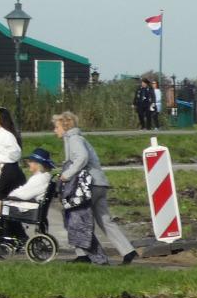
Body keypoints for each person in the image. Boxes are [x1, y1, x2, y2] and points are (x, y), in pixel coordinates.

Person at [54, 110, 137, 264]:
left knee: (76, 217)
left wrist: (67, 174)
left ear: (65, 126)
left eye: (57, 127)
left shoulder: (74, 139)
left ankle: (85, 255)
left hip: (88, 185)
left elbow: (82, 157)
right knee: (105, 220)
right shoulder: (79, 138)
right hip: (100, 183)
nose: (55, 130)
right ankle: (128, 251)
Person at [0, 145, 55, 243]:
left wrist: (10, 196)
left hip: (25, 209)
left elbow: (22, 195)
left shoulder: (39, 179)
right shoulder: (44, 177)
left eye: (30, 161)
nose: (28, 163)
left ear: (37, 164)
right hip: (28, 206)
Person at [0, 106, 23, 198]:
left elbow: (16, 153)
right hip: (1, 175)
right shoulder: (1, 135)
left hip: (7, 176)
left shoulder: (6, 135)